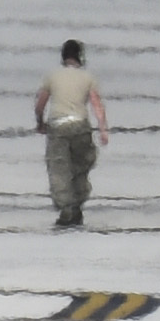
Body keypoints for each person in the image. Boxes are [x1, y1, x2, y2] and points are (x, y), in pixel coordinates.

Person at [32, 39, 109, 229]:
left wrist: (40, 122)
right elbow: (97, 105)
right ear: (80, 57)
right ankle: (77, 205)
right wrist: (102, 129)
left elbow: (40, 103)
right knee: (80, 167)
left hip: (58, 126)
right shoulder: (87, 78)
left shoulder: (52, 76)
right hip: (80, 126)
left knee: (59, 169)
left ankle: (68, 209)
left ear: (63, 56)